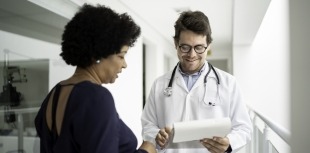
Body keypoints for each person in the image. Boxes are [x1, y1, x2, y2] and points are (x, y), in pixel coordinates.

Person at [35, 4, 156, 153]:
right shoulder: (96, 98)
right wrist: (147, 150)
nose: (124, 64)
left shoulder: (53, 95)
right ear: (98, 54)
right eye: (121, 56)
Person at [141, 10, 252, 153]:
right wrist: (155, 135)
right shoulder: (160, 84)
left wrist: (229, 143)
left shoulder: (229, 83)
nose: (192, 55)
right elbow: (147, 124)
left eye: (199, 47)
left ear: (209, 45)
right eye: (185, 47)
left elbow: (244, 128)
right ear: (176, 43)